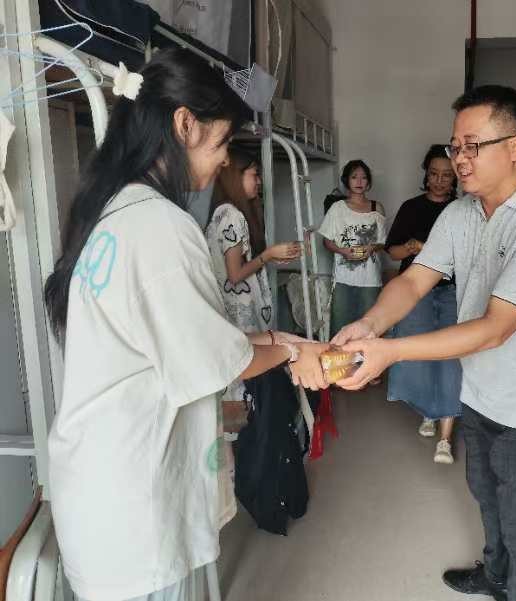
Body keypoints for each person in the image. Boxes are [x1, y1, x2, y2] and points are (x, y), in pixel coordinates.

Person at [43, 49, 327, 601]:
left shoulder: (117, 210)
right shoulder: (161, 227)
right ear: (185, 124)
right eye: (222, 144)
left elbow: (194, 340)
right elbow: (218, 361)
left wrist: (281, 340)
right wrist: (292, 351)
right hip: (134, 506)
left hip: (103, 489)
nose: (224, 162)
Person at [332, 85, 516, 601]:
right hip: (479, 393)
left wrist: (392, 352)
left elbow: (494, 328)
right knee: (486, 494)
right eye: (455, 146)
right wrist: (372, 324)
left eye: (472, 146)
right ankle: (496, 575)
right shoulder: (460, 214)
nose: (460, 159)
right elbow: (414, 281)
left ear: (515, 146)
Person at [385, 144, 462, 464]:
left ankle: (445, 437)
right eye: (434, 174)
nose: (440, 181)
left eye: (446, 175)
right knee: (417, 352)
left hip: (453, 291)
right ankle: (429, 411)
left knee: (451, 357)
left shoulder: (464, 209)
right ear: (426, 175)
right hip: (415, 290)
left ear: (455, 178)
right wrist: (412, 248)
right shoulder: (411, 208)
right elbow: (392, 251)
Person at [206, 146, 302, 333]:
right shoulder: (231, 215)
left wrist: (271, 256)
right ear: (235, 176)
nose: (259, 181)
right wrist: (268, 255)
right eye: (255, 174)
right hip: (240, 316)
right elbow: (235, 275)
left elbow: (239, 263)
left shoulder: (225, 212)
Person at [319, 160, 387, 339]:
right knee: (340, 326)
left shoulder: (377, 207)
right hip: (343, 278)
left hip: (370, 279)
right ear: (346, 180)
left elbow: (383, 243)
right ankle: (339, 357)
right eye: (354, 177)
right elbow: (326, 241)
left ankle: (368, 358)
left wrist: (371, 248)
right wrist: (343, 251)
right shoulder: (337, 208)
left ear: (369, 182)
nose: (359, 181)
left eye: (364, 178)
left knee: (369, 329)